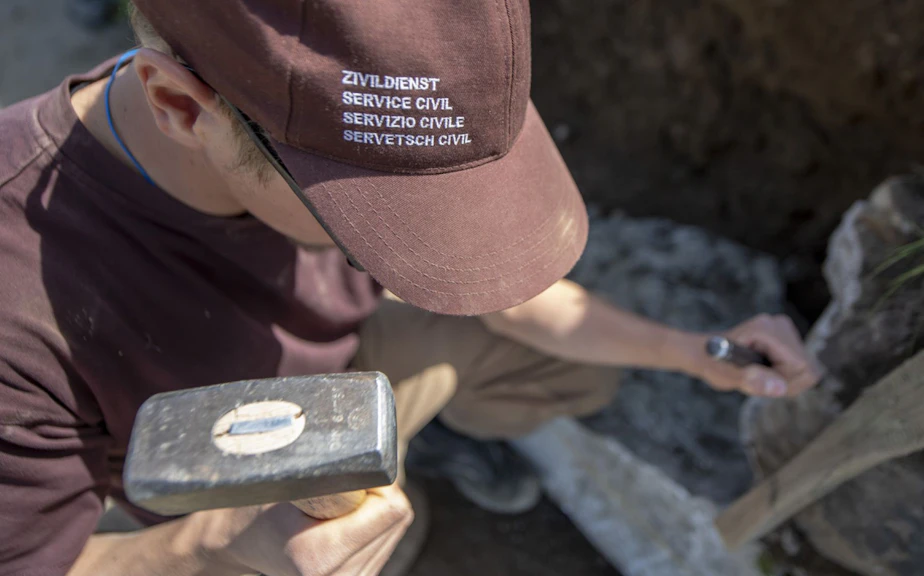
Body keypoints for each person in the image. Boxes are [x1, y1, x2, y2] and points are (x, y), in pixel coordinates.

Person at [0, 0, 823, 574]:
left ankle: (410, 444)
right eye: (376, 225)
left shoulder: (309, 101)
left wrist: (693, 353)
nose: (426, 251)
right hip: (214, 478)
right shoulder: (18, 303)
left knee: (567, 365)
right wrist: (213, 546)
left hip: (340, 371)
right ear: (182, 107)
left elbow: (513, 302)